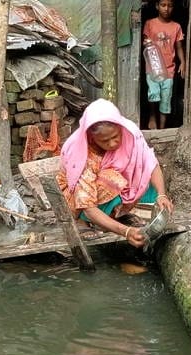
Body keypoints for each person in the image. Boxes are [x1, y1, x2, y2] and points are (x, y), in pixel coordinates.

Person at [57, 99, 174, 248]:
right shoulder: (81, 153)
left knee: (144, 177)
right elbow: (88, 205)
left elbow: (150, 163)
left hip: (104, 193)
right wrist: (125, 232)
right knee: (113, 180)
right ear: (92, 138)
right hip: (76, 200)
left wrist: (162, 194)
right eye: (105, 141)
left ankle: (115, 215)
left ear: (120, 127)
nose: (112, 144)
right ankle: (85, 220)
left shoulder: (130, 133)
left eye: (115, 136)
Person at [143, 0, 186, 130]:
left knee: (166, 99)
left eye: (170, 6)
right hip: (153, 68)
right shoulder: (150, 24)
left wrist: (183, 62)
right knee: (153, 93)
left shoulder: (176, 27)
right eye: (163, 5)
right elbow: (145, 43)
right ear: (157, 6)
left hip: (169, 69)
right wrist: (146, 43)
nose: (166, 9)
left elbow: (179, 47)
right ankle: (152, 117)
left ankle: (162, 129)